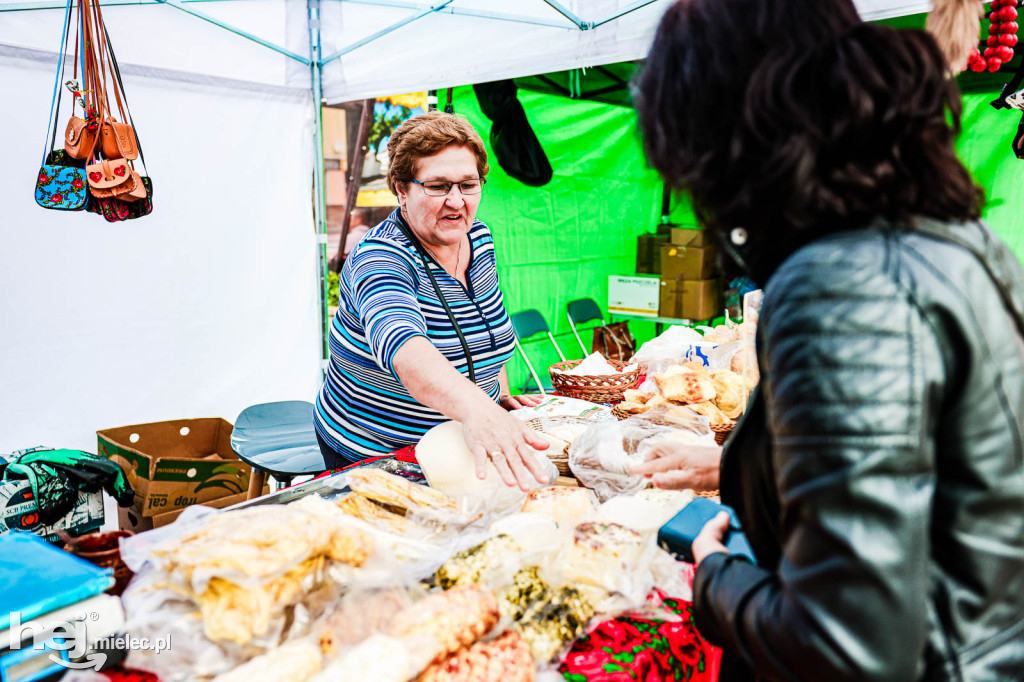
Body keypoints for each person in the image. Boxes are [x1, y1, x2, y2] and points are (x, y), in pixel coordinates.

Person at [632, 1, 1024, 680]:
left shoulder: (839, 284)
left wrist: (717, 574)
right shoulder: (947, 236)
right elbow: (924, 472)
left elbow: (848, 644)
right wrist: (731, 466)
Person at [314, 111, 550, 490]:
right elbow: (406, 351)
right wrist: (479, 409)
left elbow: (484, 327)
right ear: (401, 190)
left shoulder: (480, 239)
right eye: (438, 186)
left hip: (462, 437)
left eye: (468, 185)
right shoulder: (381, 257)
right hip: (379, 450)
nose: (456, 202)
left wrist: (497, 393)